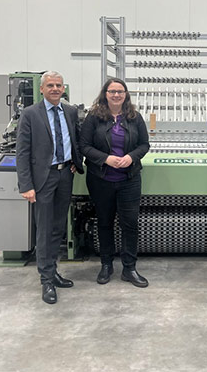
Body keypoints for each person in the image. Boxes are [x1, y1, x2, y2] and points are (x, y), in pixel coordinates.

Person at [16, 71, 83, 305]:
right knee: (44, 229)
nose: (55, 89)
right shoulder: (30, 114)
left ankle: (53, 270)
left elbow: (76, 139)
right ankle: (45, 280)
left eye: (58, 85)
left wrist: (76, 161)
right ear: (42, 89)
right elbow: (22, 152)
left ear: (63, 88)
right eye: (50, 85)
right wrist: (26, 185)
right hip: (42, 179)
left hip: (65, 175)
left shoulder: (71, 111)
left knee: (57, 228)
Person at [80, 78, 150, 287]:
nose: (116, 95)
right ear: (105, 94)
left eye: (120, 91)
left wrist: (131, 157)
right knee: (104, 222)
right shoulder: (94, 118)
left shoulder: (134, 117)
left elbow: (144, 144)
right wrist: (105, 159)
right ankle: (106, 265)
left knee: (130, 224)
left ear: (126, 94)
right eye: (112, 91)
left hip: (129, 179)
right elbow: (84, 145)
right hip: (101, 179)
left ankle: (129, 268)